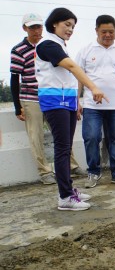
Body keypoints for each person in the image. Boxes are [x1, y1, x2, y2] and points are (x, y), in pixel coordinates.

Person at [35, 7, 106, 210]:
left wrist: (76, 103)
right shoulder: (48, 44)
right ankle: (64, 197)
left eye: (73, 26)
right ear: (54, 23)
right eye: (67, 24)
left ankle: (68, 190)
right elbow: (73, 68)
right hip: (54, 102)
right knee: (62, 148)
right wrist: (93, 87)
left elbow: (67, 79)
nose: (70, 29)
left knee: (66, 149)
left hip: (66, 102)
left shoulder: (60, 45)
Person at [10, 12, 87, 185]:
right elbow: (15, 78)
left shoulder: (54, 44)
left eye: (38, 26)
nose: (36, 30)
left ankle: (71, 166)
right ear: (25, 28)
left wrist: (75, 100)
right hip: (31, 97)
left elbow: (67, 75)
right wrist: (17, 106)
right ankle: (44, 172)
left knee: (63, 135)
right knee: (36, 135)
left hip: (56, 97)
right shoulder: (18, 50)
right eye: (32, 27)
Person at [76, 14, 115, 188]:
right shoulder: (86, 50)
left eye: (111, 31)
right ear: (96, 31)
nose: (108, 35)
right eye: (104, 31)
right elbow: (78, 77)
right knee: (91, 137)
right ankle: (93, 172)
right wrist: (76, 101)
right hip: (91, 106)